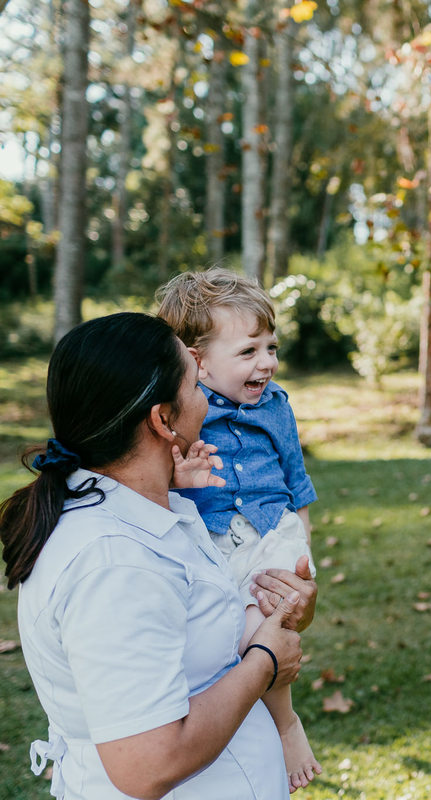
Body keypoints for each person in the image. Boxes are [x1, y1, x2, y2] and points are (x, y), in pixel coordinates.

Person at [0, 312, 318, 799]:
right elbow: (147, 763)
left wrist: (282, 611)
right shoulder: (113, 563)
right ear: (162, 419)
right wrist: (265, 662)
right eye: (195, 384)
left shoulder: (158, 509)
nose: (207, 401)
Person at [156, 267, 322, 791]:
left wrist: (303, 547)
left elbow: (297, 478)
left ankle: (281, 720)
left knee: (271, 624)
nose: (267, 363)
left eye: (270, 348)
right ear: (195, 360)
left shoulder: (276, 407)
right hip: (214, 543)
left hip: (273, 535)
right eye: (248, 352)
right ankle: (282, 721)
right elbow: (157, 489)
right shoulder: (181, 413)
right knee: (248, 637)